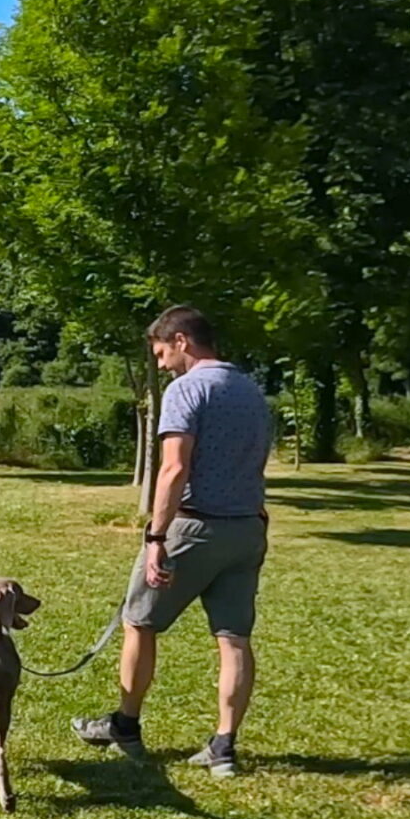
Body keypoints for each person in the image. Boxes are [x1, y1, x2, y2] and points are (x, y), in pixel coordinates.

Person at [74, 305, 274, 778]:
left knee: (138, 621)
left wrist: (156, 536)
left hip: (194, 527)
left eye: (163, 352)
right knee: (234, 640)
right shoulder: (251, 390)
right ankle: (224, 747)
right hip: (247, 529)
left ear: (182, 340)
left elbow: (174, 468)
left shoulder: (187, 389)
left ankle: (125, 725)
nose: (162, 364)